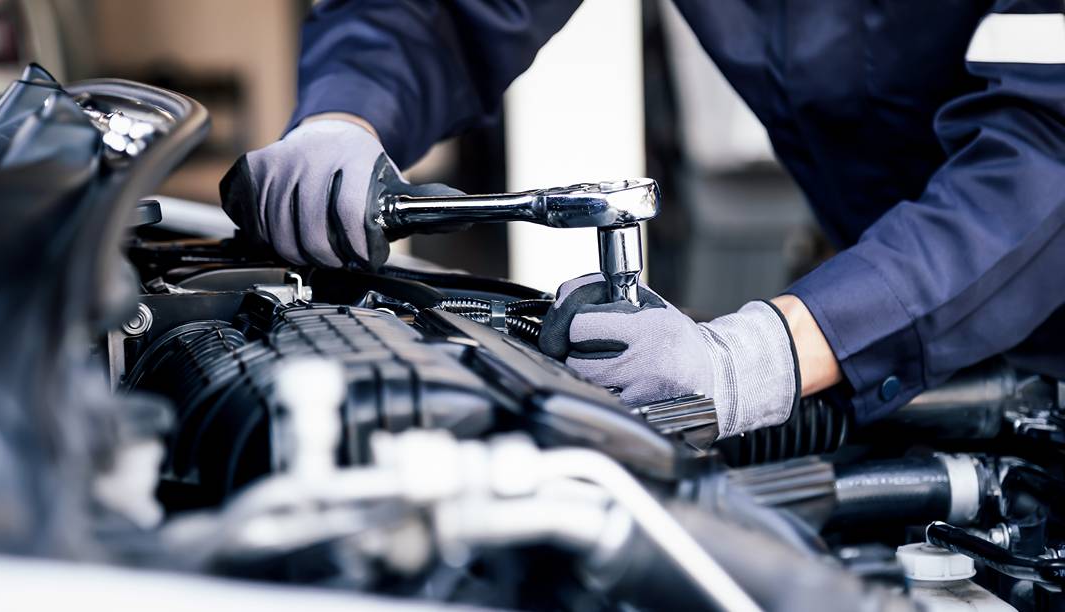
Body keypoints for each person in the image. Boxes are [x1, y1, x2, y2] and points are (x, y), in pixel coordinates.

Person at [221, 1, 1065, 441]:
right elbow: (442, 8)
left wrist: (768, 355)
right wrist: (346, 116)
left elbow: (1048, 151)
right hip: (894, 307)